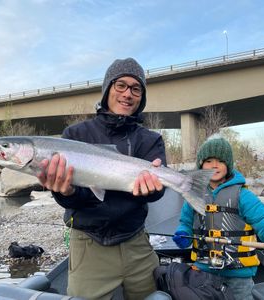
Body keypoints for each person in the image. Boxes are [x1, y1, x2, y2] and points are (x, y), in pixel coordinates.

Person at [37, 58, 167, 300]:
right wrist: (66, 192)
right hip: (89, 245)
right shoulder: (74, 136)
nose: (128, 94)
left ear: (141, 97)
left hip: (137, 243)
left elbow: (159, 192)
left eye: (135, 88)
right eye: (121, 85)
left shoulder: (150, 140)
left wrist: (152, 189)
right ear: (108, 88)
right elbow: (75, 199)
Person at [172, 137, 264, 300]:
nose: (214, 165)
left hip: (238, 276)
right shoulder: (193, 195)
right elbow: (186, 223)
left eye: (220, 161)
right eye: (208, 161)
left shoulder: (243, 195)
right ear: (201, 166)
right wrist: (183, 234)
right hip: (203, 272)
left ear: (228, 165)